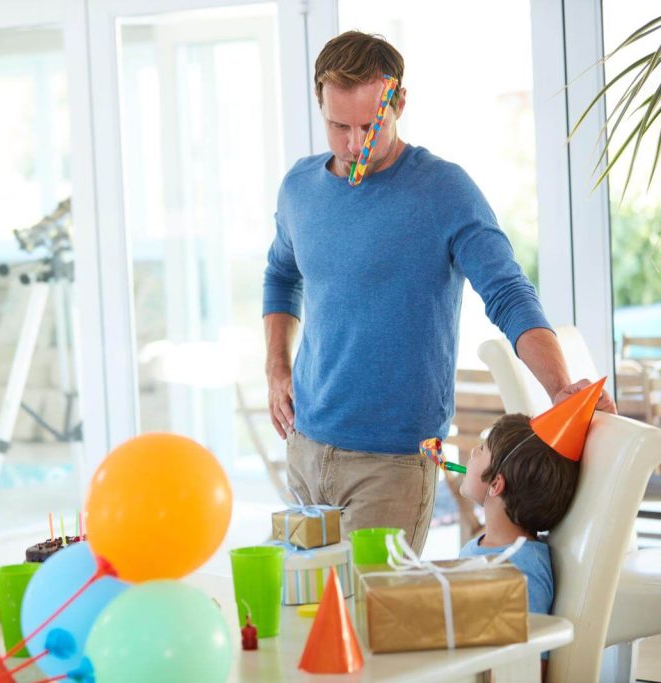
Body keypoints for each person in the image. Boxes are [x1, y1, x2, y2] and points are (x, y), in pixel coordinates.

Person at [262, 31, 615, 553]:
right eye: (339, 127)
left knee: (376, 628)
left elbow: (508, 293)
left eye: (370, 125)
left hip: (395, 464)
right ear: (320, 103)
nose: (354, 144)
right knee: (311, 621)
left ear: (398, 101)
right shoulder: (299, 188)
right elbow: (280, 274)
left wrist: (558, 384)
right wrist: (276, 366)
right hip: (306, 449)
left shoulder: (444, 191)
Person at [457, 377, 603, 674]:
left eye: (482, 449)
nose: (472, 453)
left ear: (496, 484)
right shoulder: (481, 547)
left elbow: (531, 663)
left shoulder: (522, 569)